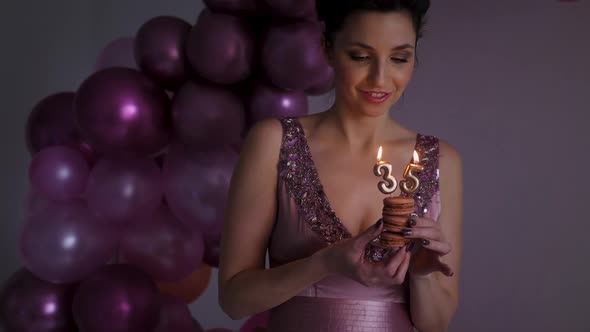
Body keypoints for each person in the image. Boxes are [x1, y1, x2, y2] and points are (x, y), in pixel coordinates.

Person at [218, 0, 463, 331]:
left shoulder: (442, 161)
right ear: (327, 48)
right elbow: (234, 300)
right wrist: (325, 263)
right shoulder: (274, 142)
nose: (380, 78)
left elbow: (436, 324)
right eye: (360, 56)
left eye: (399, 58)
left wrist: (421, 274)